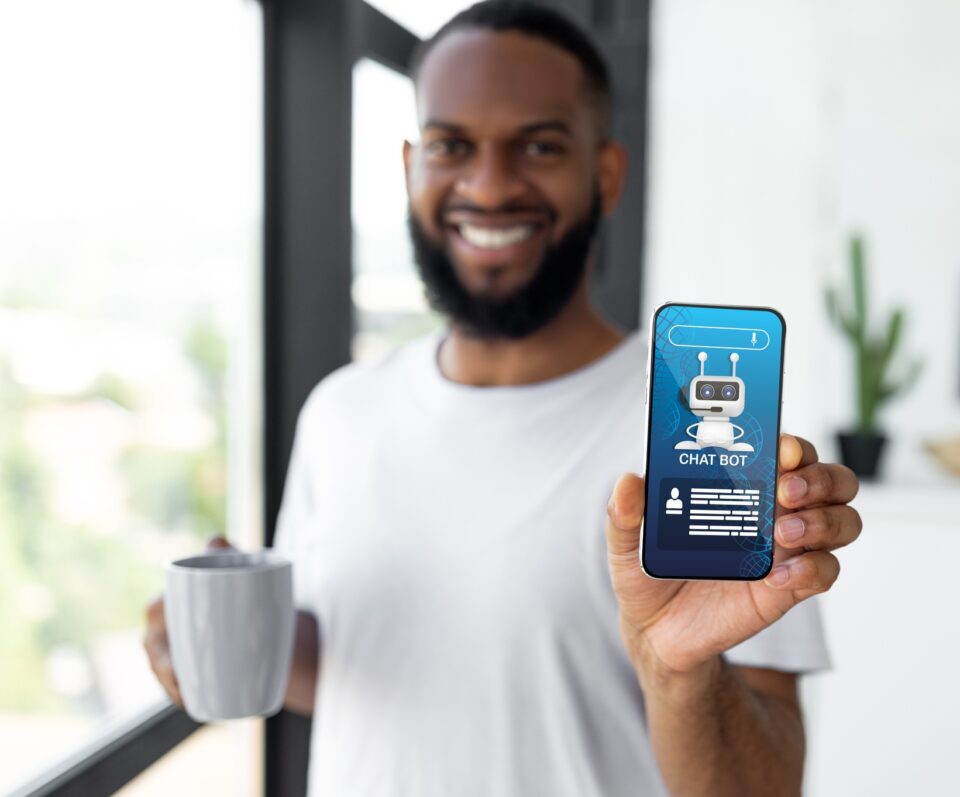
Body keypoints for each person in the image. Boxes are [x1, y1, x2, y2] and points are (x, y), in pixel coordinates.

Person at [144, 3, 862, 795]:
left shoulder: (699, 436)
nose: (488, 185)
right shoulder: (340, 412)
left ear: (607, 174)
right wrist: (233, 642)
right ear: (412, 166)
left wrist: (677, 673)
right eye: (453, 145)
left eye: (540, 145)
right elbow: (373, 666)